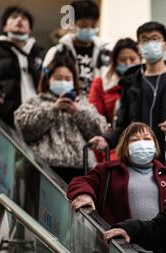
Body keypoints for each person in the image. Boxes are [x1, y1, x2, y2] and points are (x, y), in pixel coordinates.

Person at [89, 21, 166, 165]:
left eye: (155, 39)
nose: (150, 44)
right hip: (139, 158)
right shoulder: (130, 83)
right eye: (144, 40)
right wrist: (106, 139)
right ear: (139, 47)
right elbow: (123, 126)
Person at [14, 55, 107, 184]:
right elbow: (25, 130)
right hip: (43, 171)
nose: (63, 82)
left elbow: (100, 131)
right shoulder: (34, 102)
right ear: (48, 79)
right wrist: (53, 109)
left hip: (81, 171)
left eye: (68, 79)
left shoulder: (84, 104)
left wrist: (77, 111)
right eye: (58, 78)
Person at [66, 122, 166, 226]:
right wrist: (85, 195)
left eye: (147, 139)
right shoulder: (108, 170)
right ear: (125, 146)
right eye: (135, 140)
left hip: (160, 247)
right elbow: (80, 181)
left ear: (155, 145)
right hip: (118, 244)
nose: (142, 143)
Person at [43, 0, 110, 95]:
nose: (89, 29)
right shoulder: (58, 52)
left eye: (93, 25)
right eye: (84, 25)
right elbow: (44, 80)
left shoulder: (105, 53)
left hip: (96, 106)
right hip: (66, 103)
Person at [0, 5, 45, 127]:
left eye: (24, 18)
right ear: (4, 26)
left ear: (30, 29)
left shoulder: (40, 53)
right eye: (14, 17)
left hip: (38, 116)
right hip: (6, 117)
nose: (19, 20)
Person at [89, 38, 141, 128]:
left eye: (132, 59)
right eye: (123, 60)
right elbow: (95, 117)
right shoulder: (101, 84)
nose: (128, 63)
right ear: (115, 62)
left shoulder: (147, 82)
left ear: (140, 59)